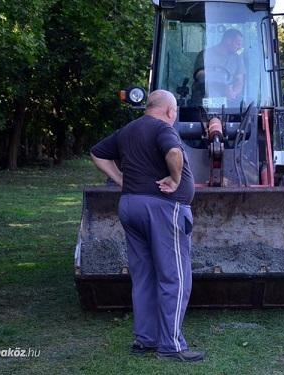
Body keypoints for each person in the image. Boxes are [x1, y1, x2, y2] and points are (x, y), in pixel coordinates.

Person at [89, 90, 205, 362]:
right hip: (163, 209)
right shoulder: (163, 128)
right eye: (174, 111)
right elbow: (174, 152)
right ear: (169, 110)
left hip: (131, 206)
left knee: (144, 276)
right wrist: (176, 180)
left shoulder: (129, 129)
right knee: (175, 277)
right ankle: (172, 346)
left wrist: (120, 179)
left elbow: (97, 153)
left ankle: (145, 340)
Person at [191, 29, 245, 105]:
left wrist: (233, 93)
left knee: (243, 104)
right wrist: (222, 87)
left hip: (227, 101)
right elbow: (200, 76)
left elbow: (239, 81)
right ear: (228, 41)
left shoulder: (237, 59)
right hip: (204, 97)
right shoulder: (204, 55)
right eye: (238, 44)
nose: (239, 47)